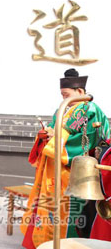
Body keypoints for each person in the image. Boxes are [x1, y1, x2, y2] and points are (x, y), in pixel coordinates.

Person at [21, 68, 110, 249]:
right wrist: (45, 136)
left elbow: (87, 140)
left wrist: (54, 140)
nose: (64, 99)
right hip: (53, 169)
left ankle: (66, 244)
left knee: (69, 211)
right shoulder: (63, 109)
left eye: (66, 94)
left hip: (73, 170)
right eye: (62, 95)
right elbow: (55, 129)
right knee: (49, 207)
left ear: (79, 91)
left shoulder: (90, 109)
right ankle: (45, 241)